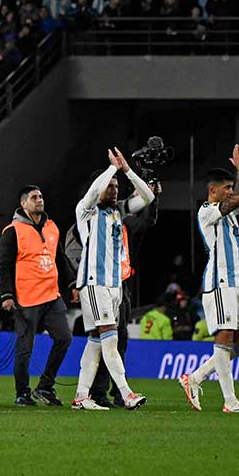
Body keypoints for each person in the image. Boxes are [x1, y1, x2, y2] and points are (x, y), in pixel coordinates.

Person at [179, 151, 239, 411]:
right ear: (213, 190)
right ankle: (230, 401)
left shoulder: (229, 213)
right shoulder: (207, 211)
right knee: (224, 337)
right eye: (226, 188)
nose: (231, 192)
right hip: (219, 283)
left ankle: (194, 378)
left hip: (236, 286)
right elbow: (238, 199)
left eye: (232, 187)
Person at [71, 148, 154, 411]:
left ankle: (81, 396)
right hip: (95, 282)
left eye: (117, 186)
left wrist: (127, 171)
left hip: (115, 284)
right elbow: (94, 192)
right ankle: (126, 392)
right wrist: (111, 170)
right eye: (110, 187)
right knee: (110, 336)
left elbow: (148, 196)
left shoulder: (119, 210)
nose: (114, 190)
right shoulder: (86, 211)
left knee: (96, 340)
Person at [0, 185, 76, 407]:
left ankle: (45, 387)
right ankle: (22, 392)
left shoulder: (52, 227)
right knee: (25, 349)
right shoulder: (12, 231)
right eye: (33, 197)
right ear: (23, 204)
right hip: (26, 299)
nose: (39, 200)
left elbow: (60, 258)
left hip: (51, 296)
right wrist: (7, 295)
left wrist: (72, 284)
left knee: (64, 338)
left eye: (40, 196)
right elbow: (4, 266)